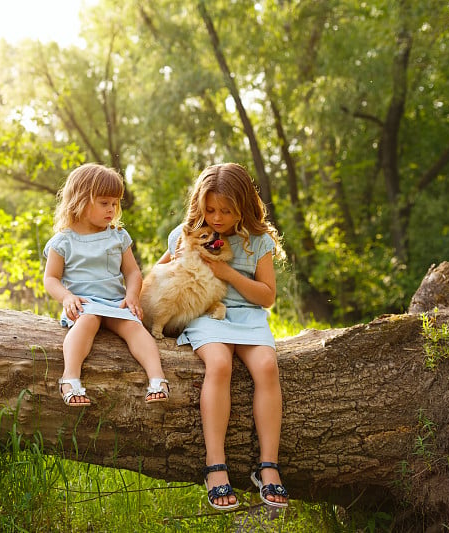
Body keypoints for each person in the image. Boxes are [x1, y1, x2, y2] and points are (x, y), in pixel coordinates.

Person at [154, 163, 289, 510]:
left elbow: (267, 296)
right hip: (205, 312)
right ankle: (216, 466)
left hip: (248, 316)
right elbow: (159, 271)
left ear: (243, 206)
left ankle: (268, 466)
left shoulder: (258, 242)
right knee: (219, 364)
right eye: (210, 209)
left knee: (267, 367)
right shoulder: (186, 233)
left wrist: (227, 272)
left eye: (226, 211)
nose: (216, 218)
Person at [43, 163, 169, 407]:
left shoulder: (118, 236)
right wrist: (67, 297)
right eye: (104, 203)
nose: (112, 209)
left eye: (115, 203)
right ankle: (70, 378)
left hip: (115, 302)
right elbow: (51, 278)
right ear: (80, 200)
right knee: (88, 321)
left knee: (134, 327)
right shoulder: (63, 241)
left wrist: (132, 296)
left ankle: (157, 378)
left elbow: (132, 272)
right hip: (84, 303)